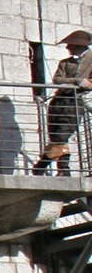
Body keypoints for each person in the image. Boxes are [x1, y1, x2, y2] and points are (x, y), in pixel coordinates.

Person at [33, 30, 91, 176]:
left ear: (78, 45)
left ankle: (47, 164)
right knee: (55, 135)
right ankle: (61, 169)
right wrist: (77, 81)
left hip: (74, 101)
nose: (67, 48)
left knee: (62, 136)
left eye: (70, 44)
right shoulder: (65, 63)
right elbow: (58, 80)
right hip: (58, 101)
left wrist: (83, 83)